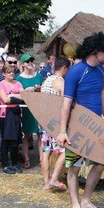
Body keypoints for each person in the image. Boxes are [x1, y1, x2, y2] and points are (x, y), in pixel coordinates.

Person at [56, 31, 104, 208]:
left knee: (101, 163)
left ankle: (86, 201)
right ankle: (75, 207)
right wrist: (62, 131)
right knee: (74, 168)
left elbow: (102, 94)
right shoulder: (76, 71)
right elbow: (66, 103)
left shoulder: (100, 71)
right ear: (96, 51)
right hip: (77, 127)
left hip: (95, 126)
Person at [39, 57, 70, 191]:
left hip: (44, 120)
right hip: (55, 121)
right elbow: (65, 102)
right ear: (63, 68)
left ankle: (46, 183)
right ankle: (54, 179)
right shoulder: (60, 81)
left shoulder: (46, 80)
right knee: (66, 150)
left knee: (46, 152)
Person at [16, 54, 43, 169]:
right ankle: (27, 158)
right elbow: (18, 94)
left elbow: (44, 90)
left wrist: (39, 89)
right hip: (27, 109)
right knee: (26, 135)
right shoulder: (19, 79)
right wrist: (26, 91)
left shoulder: (39, 76)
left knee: (40, 135)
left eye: (31, 60)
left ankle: (42, 159)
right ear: (23, 64)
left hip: (39, 107)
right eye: (27, 61)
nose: (30, 63)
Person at [0, 65, 24, 174]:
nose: (12, 74)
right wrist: (15, 96)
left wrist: (11, 96)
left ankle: (15, 162)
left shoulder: (18, 83)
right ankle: (5, 164)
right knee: (6, 140)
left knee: (16, 139)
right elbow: (5, 99)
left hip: (16, 114)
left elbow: (24, 97)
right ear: (4, 74)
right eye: (9, 72)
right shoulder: (1, 84)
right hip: (6, 114)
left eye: (13, 72)